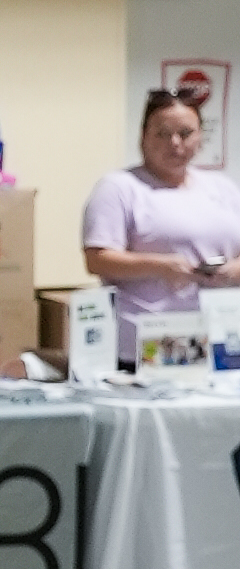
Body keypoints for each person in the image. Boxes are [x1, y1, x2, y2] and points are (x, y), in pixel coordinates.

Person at [81, 85, 240, 362]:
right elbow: (97, 259)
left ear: (200, 137)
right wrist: (163, 266)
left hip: (221, 338)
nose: (175, 143)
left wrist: (231, 271)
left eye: (185, 133)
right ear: (143, 137)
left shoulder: (223, 189)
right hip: (147, 344)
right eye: (163, 134)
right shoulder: (119, 188)